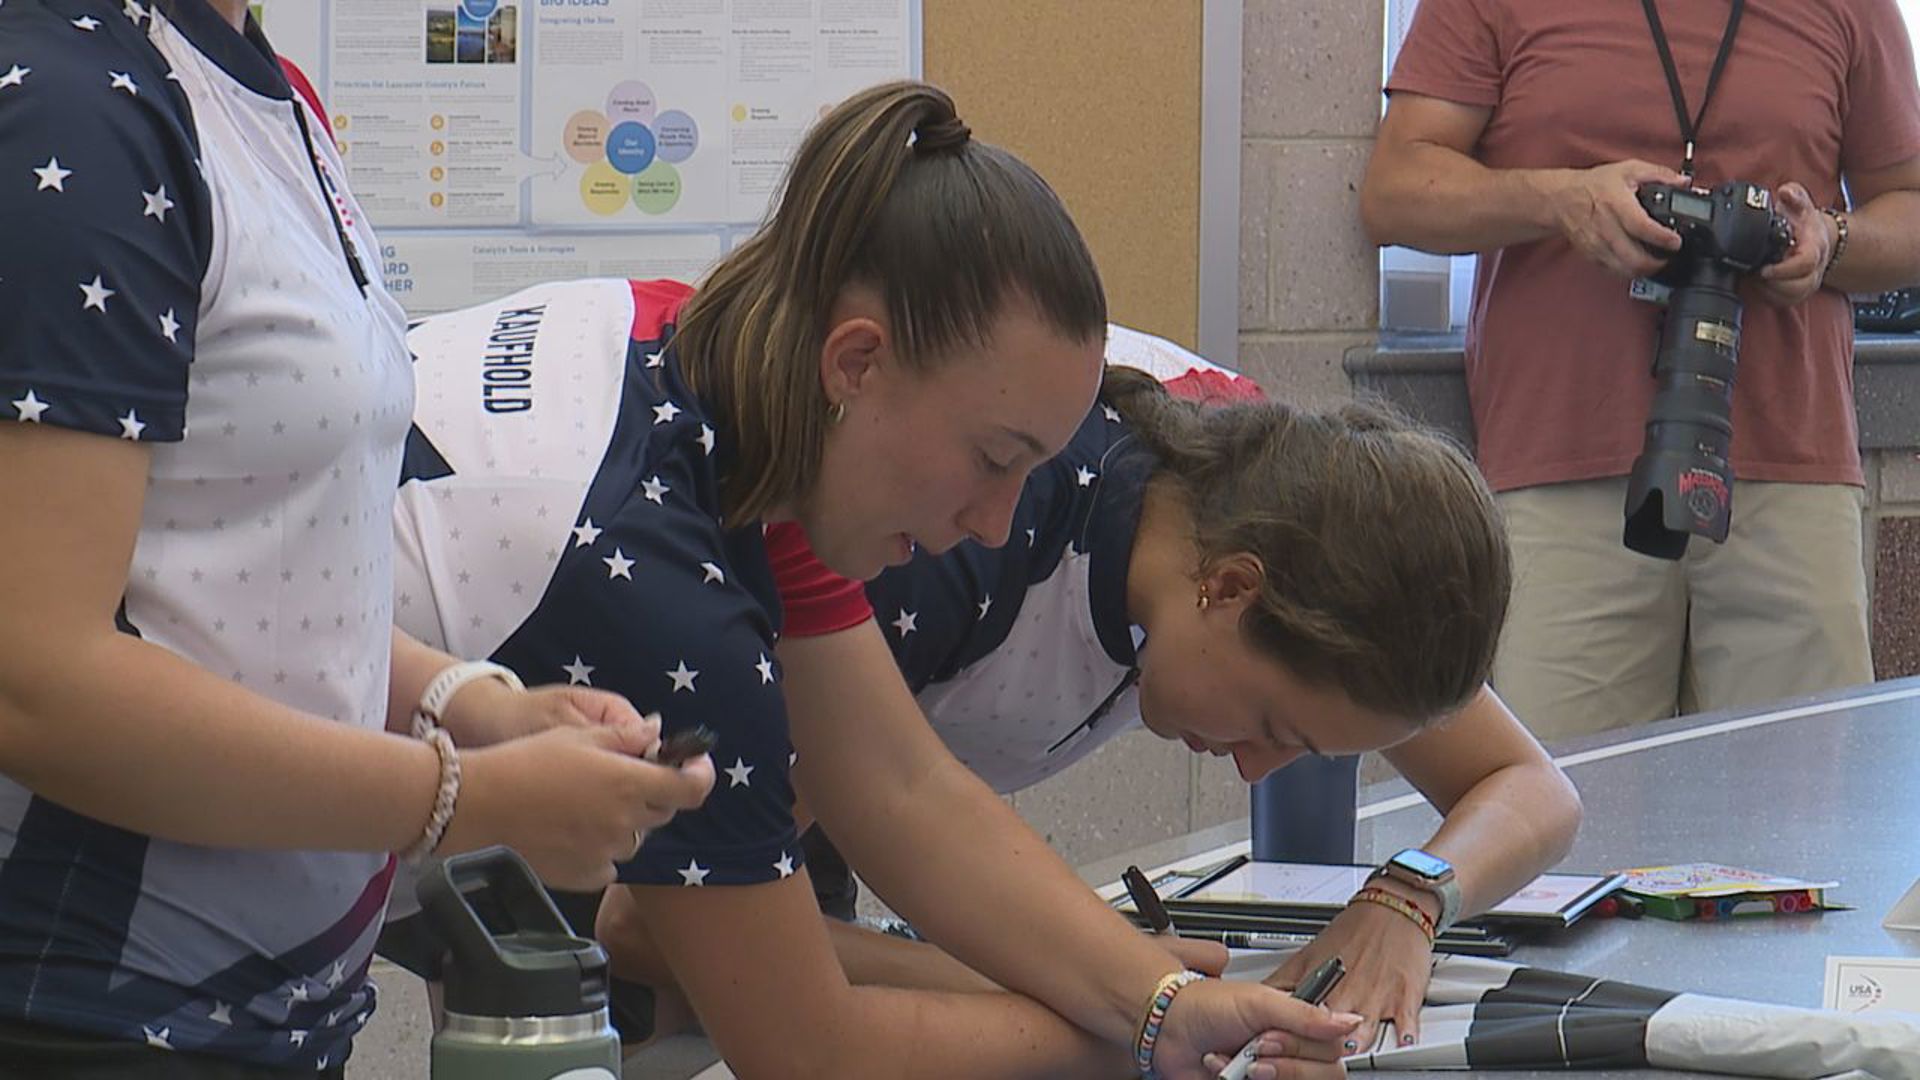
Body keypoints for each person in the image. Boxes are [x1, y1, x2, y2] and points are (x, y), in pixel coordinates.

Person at [385, 82, 1367, 1078]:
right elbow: (808, 1048)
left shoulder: (712, 373)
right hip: (239, 920)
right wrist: (1140, 1042)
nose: (990, 524)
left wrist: (1161, 1001)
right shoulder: (662, 592)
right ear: (858, 364)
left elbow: (899, 786)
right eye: (993, 458)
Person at [0, 2, 713, 1076]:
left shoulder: (254, 85)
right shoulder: (79, 105)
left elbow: (243, 581)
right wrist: (466, 802)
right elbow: (38, 680)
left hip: (269, 1015)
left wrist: (476, 707)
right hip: (92, 1012)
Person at [595, 325, 1580, 1056]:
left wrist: (1408, 901)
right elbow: (647, 925)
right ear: (1231, 588)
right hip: (589, 797)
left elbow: (1531, 788)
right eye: (1275, 725)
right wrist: (1097, 985)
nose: (1256, 768)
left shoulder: (1294, 503)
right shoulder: (945, 540)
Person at [1359, 0, 1920, 742]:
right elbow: (1395, 190)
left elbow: (1909, 209)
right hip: (1563, 465)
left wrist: (1828, 241)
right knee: (1574, 822)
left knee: (1801, 822)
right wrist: (1564, 199)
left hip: (1789, 470)